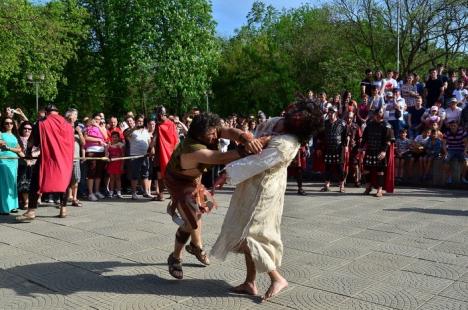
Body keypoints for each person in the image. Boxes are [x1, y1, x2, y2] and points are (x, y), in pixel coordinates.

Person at [210, 102, 322, 301]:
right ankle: (250, 282)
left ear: (303, 126)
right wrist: (253, 140)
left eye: (298, 118)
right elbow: (255, 137)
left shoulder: (289, 143)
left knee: (253, 234)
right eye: (295, 113)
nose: (293, 116)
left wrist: (226, 173)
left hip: (265, 189)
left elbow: (258, 162)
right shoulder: (277, 121)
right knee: (244, 231)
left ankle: (277, 278)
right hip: (249, 184)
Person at [164, 112, 266, 280]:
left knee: (199, 210)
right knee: (191, 221)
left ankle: (196, 246)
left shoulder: (210, 131)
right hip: (179, 182)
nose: (214, 136)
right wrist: (247, 149)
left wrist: (247, 139)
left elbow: (232, 132)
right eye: (210, 134)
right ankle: (175, 257)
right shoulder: (193, 149)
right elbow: (221, 157)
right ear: (199, 134)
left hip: (193, 178)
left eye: (214, 132)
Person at [17, 105, 74, 220]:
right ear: (58, 112)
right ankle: (63, 209)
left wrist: (28, 153)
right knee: (64, 182)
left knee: (36, 183)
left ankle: (31, 211)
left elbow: (32, 141)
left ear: (47, 112)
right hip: (65, 160)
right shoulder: (68, 125)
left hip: (47, 159)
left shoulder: (42, 123)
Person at [361, 108, 395, 197]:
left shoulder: (387, 126)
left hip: (380, 151)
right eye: (376, 115)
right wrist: (360, 148)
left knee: (380, 171)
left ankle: (379, 190)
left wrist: (384, 151)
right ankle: (368, 187)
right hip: (370, 150)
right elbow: (364, 138)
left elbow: (388, 141)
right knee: (366, 170)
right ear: (374, 115)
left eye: (379, 114)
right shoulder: (369, 125)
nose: (378, 116)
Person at [150, 106, 179, 201]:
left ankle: (165, 194)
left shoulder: (162, 125)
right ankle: (163, 194)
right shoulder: (171, 124)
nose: (157, 117)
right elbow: (177, 140)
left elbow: (154, 139)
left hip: (167, 154)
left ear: (162, 114)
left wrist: (149, 148)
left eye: (158, 115)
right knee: (162, 175)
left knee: (165, 175)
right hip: (164, 154)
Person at [321, 106, 347, 192]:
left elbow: (345, 136)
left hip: (338, 148)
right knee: (327, 166)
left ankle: (342, 185)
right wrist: (319, 148)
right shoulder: (325, 123)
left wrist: (345, 146)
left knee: (339, 167)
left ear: (336, 113)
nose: (331, 114)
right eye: (330, 112)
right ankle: (327, 185)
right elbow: (320, 136)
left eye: (333, 112)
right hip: (328, 147)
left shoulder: (342, 123)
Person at [125, 115, 152, 199]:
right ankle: (134, 193)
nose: (140, 122)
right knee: (135, 175)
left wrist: (151, 151)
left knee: (145, 174)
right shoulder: (131, 131)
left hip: (145, 155)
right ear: (135, 121)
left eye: (141, 121)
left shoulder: (146, 131)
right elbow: (126, 135)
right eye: (139, 121)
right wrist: (134, 128)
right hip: (135, 156)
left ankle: (146, 192)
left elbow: (149, 142)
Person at [0, 117, 23, 215]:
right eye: (6, 123)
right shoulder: (1, 134)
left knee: (13, 183)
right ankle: (4, 208)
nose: (9, 125)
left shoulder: (14, 136)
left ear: (13, 125)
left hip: (14, 161)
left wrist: (27, 159)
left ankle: (13, 206)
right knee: (4, 183)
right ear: (3, 124)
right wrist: (12, 148)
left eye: (11, 123)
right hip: (3, 160)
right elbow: (2, 145)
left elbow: (20, 150)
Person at [83, 113, 107, 201]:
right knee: (91, 172)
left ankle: (96, 191)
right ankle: (90, 193)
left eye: (99, 119)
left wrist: (99, 126)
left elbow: (106, 136)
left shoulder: (102, 127)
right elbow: (86, 137)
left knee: (99, 172)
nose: (98, 120)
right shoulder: (88, 127)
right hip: (91, 151)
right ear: (92, 119)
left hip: (101, 151)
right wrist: (98, 140)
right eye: (96, 119)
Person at [65, 108, 85, 207]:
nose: (76, 117)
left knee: (76, 179)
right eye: (75, 115)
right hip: (65, 158)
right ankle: (65, 199)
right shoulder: (63, 126)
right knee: (66, 180)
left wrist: (79, 132)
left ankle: (75, 198)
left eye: (76, 115)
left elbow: (84, 143)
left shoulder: (78, 128)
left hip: (75, 158)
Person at [16, 121, 38, 209]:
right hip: (22, 164)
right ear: (22, 129)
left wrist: (33, 155)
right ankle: (26, 201)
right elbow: (18, 150)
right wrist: (26, 159)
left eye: (29, 129)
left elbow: (41, 149)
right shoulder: (18, 139)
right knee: (24, 183)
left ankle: (35, 200)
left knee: (34, 184)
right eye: (25, 128)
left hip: (34, 163)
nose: (27, 130)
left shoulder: (36, 139)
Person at [106, 131, 124, 198]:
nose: (114, 138)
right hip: (111, 164)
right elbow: (107, 155)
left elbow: (123, 155)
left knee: (118, 178)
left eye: (116, 137)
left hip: (118, 163)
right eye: (113, 137)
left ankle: (119, 192)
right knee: (112, 178)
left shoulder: (120, 145)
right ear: (111, 138)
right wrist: (107, 157)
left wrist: (122, 165)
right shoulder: (109, 145)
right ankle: (111, 192)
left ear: (119, 138)